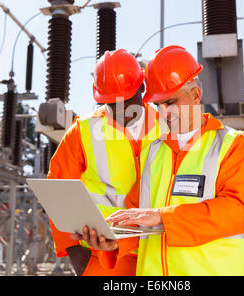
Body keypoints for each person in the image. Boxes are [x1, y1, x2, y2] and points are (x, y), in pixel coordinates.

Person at [80, 45, 244, 276]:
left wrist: (163, 216)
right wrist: (115, 242)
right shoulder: (152, 153)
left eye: (170, 102)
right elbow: (136, 215)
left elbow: (235, 211)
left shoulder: (232, 144)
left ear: (195, 94)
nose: (164, 113)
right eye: (157, 105)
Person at [47, 49, 162, 276]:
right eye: (113, 104)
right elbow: (58, 192)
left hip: (157, 254)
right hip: (104, 260)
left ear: (142, 87)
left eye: (128, 101)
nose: (123, 112)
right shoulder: (83, 132)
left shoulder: (166, 127)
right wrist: (78, 258)